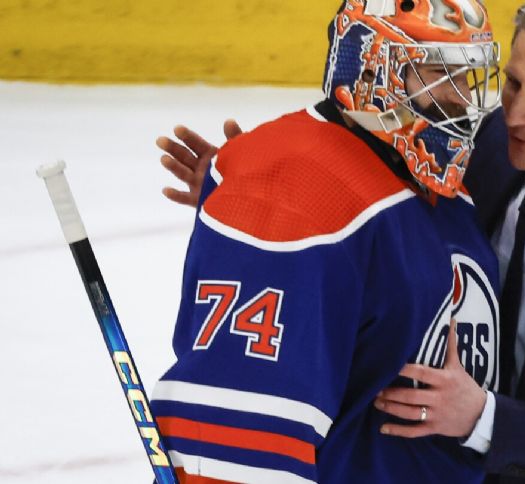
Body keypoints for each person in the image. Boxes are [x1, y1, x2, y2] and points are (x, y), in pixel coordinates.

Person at [160, 1, 525, 482]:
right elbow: (372, 171)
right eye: (513, 83)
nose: (514, 113)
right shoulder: (484, 142)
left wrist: (485, 419)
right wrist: (260, 188)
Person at [149, 1, 506, 482]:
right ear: (376, 71)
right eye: (441, 74)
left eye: (468, 77)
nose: (464, 99)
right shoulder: (300, 200)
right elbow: (235, 444)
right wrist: (257, 194)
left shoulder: (441, 186)